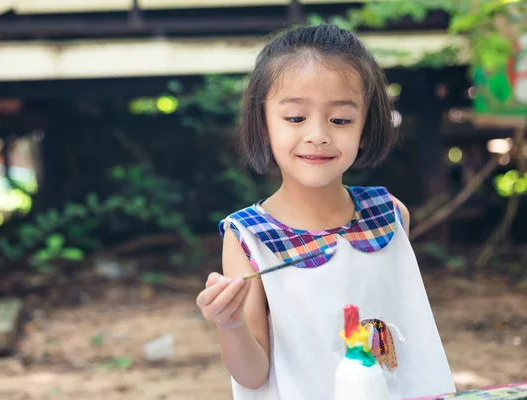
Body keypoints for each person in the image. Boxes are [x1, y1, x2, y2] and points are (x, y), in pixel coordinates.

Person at [195, 23, 456, 399]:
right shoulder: (248, 236)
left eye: (341, 120)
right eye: (296, 118)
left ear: (366, 127)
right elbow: (252, 375)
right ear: (263, 123)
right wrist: (231, 325)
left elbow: (403, 329)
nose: (318, 135)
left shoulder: (390, 214)